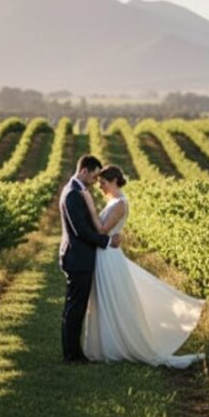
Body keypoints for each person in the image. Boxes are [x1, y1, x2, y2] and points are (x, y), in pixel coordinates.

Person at [80, 165, 205, 368]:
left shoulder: (120, 203)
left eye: (102, 183)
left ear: (113, 182)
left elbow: (103, 229)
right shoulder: (113, 201)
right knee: (105, 299)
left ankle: (117, 345)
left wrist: (90, 207)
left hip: (109, 256)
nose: (100, 187)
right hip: (105, 254)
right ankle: (105, 345)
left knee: (113, 298)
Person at [58, 155, 121, 363]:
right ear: (84, 171)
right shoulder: (73, 194)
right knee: (75, 307)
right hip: (77, 258)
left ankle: (73, 351)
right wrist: (106, 241)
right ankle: (72, 354)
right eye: (94, 177)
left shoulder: (76, 191)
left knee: (75, 306)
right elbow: (81, 231)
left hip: (79, 257)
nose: (96, 182)